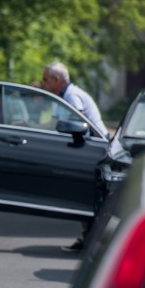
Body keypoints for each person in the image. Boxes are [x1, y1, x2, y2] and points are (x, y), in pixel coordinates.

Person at [40, 60, 107, 252]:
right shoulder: (62, 97)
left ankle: (92, 240)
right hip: (86, 148)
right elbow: (55, 125)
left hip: (94, 149)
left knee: (85, 196)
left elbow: (80, 124)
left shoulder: (71, 96)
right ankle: (89, 238)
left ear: (57, 79)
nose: (43, 83)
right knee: (83, 196)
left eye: (45, 79)